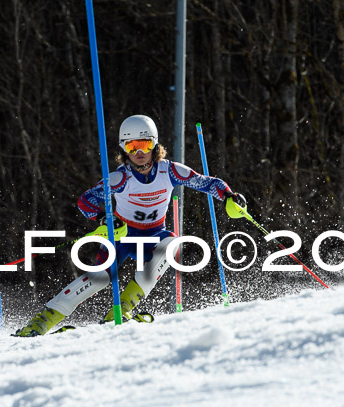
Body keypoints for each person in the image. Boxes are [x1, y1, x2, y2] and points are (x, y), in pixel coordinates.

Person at [14, 115, 245, 337]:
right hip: (122, 235)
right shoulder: (121, 178)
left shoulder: (170, 171)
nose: (140, 152)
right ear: (124, 148)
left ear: (154, 144)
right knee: (100, 279)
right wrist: (104, 218)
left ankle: (122, 309)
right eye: (132, 146)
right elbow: (86, 201)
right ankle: (42, 321)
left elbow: (206, 182)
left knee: (172, 243)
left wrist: (229, 196)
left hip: (154, 233)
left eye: (144, 144)